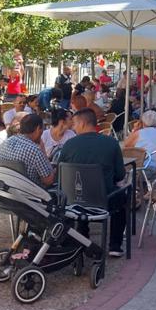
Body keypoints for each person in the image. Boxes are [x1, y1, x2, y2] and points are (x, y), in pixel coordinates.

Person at [59, 108, 127, 257]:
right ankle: (115, 245)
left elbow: (61, 171)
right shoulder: (111, 143)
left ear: (83, 123)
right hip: (104, 201)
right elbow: (120, 174)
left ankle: (83, 236)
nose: (73, 128)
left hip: (73, 201)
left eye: (75, 124)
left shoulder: (69, 144)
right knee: (123, 197)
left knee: (82, 190)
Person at [0, 114, 55, 187]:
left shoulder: (6, 142)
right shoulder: (35, 150)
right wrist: (43, 150)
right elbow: (48, 181)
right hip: (30, 194)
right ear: (38, 129)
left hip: (8, 190)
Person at [123, 110, 156, 177]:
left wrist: (134, 130)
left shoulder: (139, 133)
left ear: (143, 121)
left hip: (145, 169)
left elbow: (126, 147)